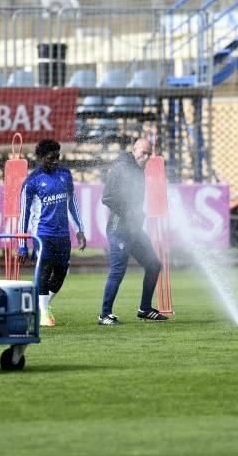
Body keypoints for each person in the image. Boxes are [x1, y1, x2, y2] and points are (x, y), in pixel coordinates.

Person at [98, 138, 167, 325]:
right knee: (118, 270)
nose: (145, 157)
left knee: (153, 264)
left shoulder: (137, 168)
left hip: (134, 228)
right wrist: (130, 213)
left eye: (148, 154)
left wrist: (137, 215)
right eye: (142, 152)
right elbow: (108, 198)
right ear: (133, 150)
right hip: (119, 228)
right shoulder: (121, 167)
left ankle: (145, 309)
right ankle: (104, 314)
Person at [18, 139, 87, 327]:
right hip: (43, 234)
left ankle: (42, 306)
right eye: (51, 158)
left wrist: (80, 230)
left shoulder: (65, 174)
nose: (56, 161)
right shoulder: (31, 182)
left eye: (58, 156)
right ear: (40, 158)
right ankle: (44, 313)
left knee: (61, 272)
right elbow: (23, 214)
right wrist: (22, 245)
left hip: (63, 234)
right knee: (45, 269)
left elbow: (72, 202)